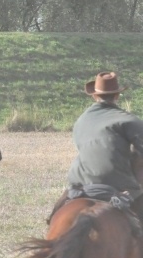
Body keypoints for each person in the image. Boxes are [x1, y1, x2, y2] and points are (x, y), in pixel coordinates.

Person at [49, 72, 143, 220]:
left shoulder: (81, 120)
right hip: (116, 181)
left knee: (56, 216)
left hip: (79, 181)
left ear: (94, 96)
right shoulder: (128, 120)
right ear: (117, 95)